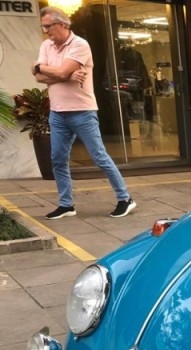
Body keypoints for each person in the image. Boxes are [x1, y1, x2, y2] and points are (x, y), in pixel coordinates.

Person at [33, 6, 135, 220]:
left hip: (82, 112)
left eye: (48, 26)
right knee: (58, 160)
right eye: (43, 27)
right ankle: (66, 204)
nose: (45, 31)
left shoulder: (80, 44)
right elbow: (39, 76)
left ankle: (125, 199)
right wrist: (65, 76)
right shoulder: (46, 45)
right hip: (57, 113)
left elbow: (49, 71)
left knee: (99, 157)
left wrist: (44, 68)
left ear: (62, 24)